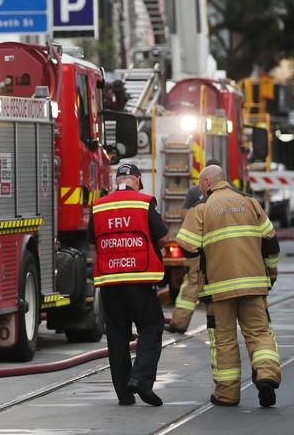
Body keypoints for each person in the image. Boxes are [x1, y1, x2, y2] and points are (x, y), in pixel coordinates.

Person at [176, 163, 281, 408]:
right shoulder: (250, 203)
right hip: (254, 285)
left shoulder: (201, 209)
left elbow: (186, 245)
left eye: (201, 184)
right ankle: (266, 376)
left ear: (207, 183)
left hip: (218, 289)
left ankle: (227, 394)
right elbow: (271, 242)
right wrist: (271, 273)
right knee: (259, 334)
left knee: (224, 341)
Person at [90, 162, 168, 406]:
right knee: (151, 327)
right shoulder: (144, 203)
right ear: (137, 180)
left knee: (116, 335)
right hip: (139, 279)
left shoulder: (99, 206)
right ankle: (141, 380)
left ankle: (124, 394)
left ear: (117, 180)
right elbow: (163, 237)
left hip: (110, 282)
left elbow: (93, 239)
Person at [167, 158, 223, 334]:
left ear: (206, 179)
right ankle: (218, 324)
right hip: (222, 250)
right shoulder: (232, 195)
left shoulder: (194, 193)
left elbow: (184, 214)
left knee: (192, 283)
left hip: (198, 248)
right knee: (218, 284)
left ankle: (179, 323)